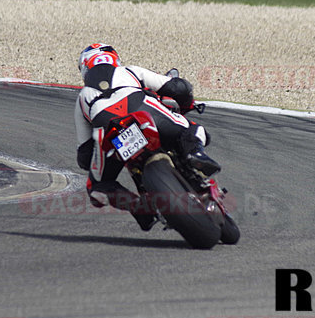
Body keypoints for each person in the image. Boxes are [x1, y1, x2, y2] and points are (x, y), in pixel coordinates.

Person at [74, 43, 220, 231]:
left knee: (97, 188)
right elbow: (177, 87)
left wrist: (99, 156)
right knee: (192, 129)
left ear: (85, 67)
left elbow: (84, 156)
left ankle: (139, 208)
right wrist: (187, 104)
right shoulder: (129, 71)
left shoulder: (82, 97)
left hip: (108, 128)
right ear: (114, 59)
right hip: (140, 107)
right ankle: (195, 154)